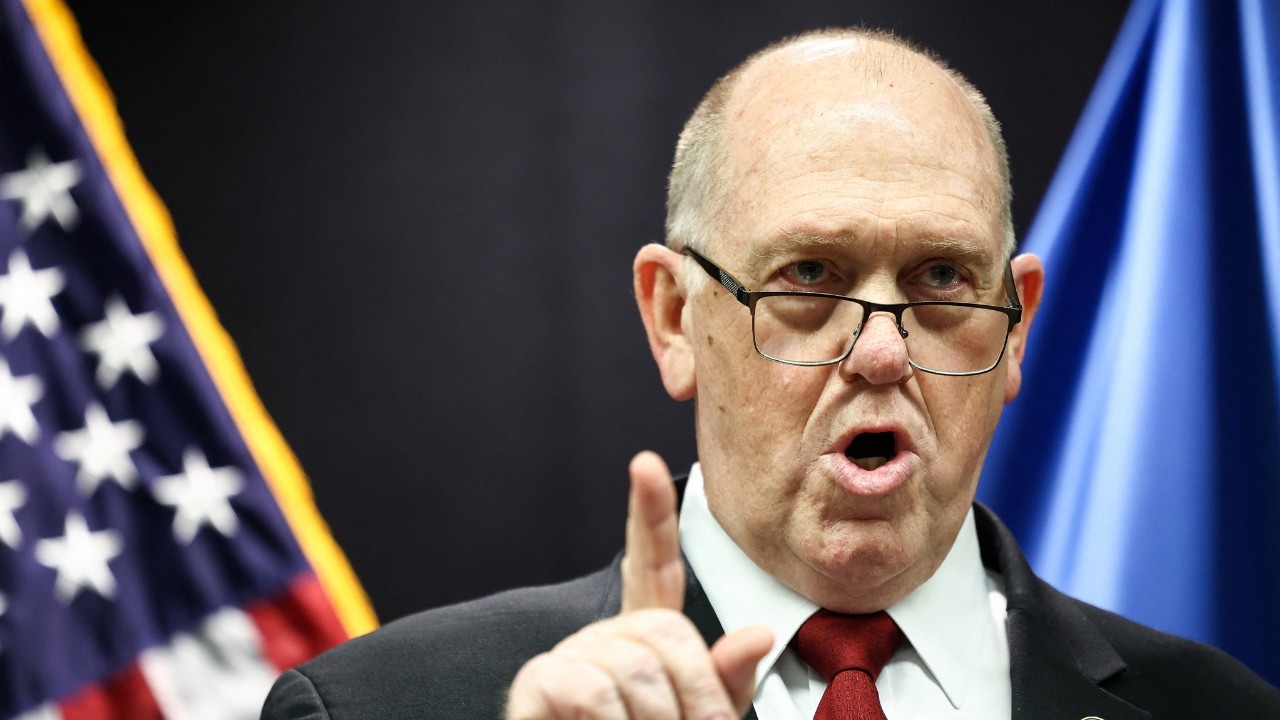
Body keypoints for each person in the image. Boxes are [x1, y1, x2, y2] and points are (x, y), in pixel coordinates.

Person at [261, 28, 1280, 719]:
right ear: (674, 317)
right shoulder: (378, 708)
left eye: (940, 278)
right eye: (808, 276)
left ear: (1015, 331)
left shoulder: (1219, 708)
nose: (881, 352)